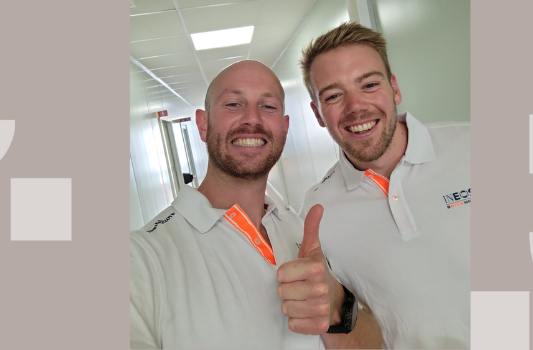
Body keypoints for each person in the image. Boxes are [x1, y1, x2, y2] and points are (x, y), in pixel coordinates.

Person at [130, 60, 381, 349]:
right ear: (202, 123)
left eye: (269, 107)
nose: (252, 119)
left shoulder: (299, 229)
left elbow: (371, 343)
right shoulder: (141, 260)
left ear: (284, 128)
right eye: (234, 104)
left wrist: (338, 305)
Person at [297, 22, 471, 348]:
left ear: (395, 88)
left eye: (369, 84)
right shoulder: (317, 212)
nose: (355, 107)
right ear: (318, 114)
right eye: (334, 95)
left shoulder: (474, 145)